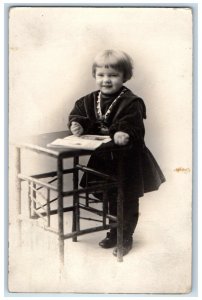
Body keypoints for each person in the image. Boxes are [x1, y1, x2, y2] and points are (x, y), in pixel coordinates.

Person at [68, 49, 165, 256]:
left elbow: (133, 126)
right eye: (101, 75)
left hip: (128, 161)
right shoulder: (89, 100)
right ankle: (113, 232)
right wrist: (77, 125)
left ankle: (126, 236)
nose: (106, 80)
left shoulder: (131, 102)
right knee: (109, 196)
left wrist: (124, 132)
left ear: (124, 76)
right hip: (105, 159)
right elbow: (79, 114)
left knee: (127, 198)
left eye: (113, 75)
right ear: (95, 75)